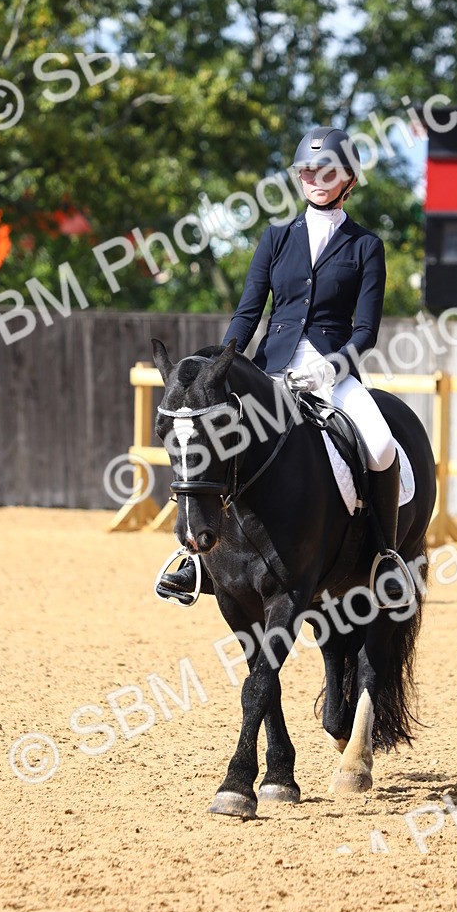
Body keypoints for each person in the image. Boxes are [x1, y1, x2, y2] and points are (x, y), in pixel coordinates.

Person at [156, 125, 409, 607]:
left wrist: (332, 369)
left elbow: (366, 331)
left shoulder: (365, 246)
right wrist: (221, 365)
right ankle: (195, 559)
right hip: (268, 371)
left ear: (348, 178)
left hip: (333, 373)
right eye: (308, 170)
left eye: (327, 170)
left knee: (378, 446)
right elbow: (248, 312)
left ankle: (384, 557)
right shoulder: (275, 239)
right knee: (215, 441)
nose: (316, 177)